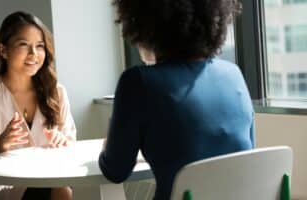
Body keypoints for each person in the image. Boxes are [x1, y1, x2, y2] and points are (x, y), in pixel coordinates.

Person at [99, 0, 254, 199]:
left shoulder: (138, 82)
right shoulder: (234, 75)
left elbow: (115, 171)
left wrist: (107, 146)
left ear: (144, 24)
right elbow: (247, 157)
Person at [0, 11, 76, 200]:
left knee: (62, 189)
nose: (34, 54)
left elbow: (70, 150)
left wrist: (63, 142)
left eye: (40, 46)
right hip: (1, 190)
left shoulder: (57, 93)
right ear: (3, 50)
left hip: (49, 181)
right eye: (24, 45)